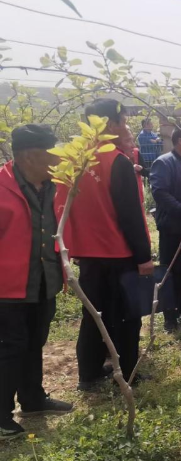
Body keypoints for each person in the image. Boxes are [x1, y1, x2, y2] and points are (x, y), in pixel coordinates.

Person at [57, 99, 154, 389]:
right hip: (118, 252)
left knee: (93, 314)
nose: (126, 126)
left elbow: (61, 207)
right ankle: (127, 373)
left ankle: (88, 374)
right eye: (123, 121)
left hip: (86, 253)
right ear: (110, 124)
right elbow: (130, 215)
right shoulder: (116, 161)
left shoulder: (74, 159)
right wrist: (143, 256)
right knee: (126, 316)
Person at [1, 125, 73, 441]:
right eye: (52, 153)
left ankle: (32, 399)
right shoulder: (2, 187)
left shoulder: (53, 186)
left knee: (34, 342)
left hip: (44, 281)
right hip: (8, 288)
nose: (59, 159)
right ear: (30, 156)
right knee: (11, 348)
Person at [150, 124, 181, 333]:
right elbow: (160, 192)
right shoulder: (164, 163)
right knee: (170, 270)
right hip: (172, 226)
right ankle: (170, 316)